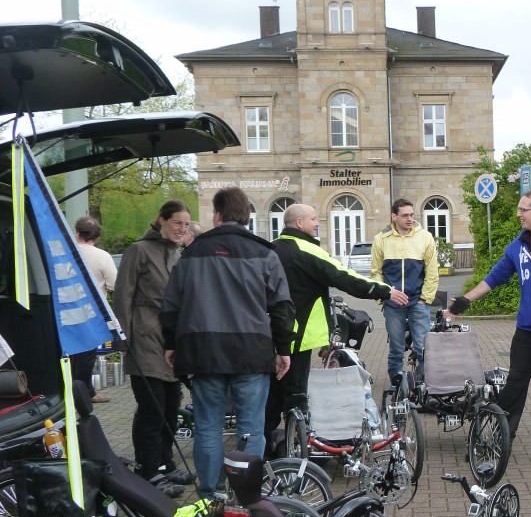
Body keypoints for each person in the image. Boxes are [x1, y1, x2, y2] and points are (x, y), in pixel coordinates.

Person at [160, 187, 295, 500]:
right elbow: (282, 307)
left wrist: (171, 344)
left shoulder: (191, 253)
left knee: (208, 425)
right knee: (251, 426)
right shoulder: (265, 253)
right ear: (247, 216)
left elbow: (170, 307)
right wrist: (284, 349)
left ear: (217, 215)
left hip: (203, 353)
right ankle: (245, 495)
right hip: (252, 352)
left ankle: (209, 496)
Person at [445, 190, 531, 459]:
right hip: (527, 331)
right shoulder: (518, 246)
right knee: (514, 385)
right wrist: (466, 299)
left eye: (524, 209)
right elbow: (495, 277)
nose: (518, 214)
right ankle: (502, 434)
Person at [264, 203, 406, 457]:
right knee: (295, 397)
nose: (317, 223)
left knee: (270, 397)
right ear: (299, 224)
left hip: (267, 336)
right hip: (297, 336)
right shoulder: (306, 249)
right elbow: (345, 276)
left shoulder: (270, 249)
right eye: (314, 218)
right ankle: (293, 457)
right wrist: (385, 291)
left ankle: (264, 450)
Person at [113, 202, 192, 498]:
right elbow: (123, 294)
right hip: (144, 338)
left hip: (171, 340)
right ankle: (147, 470)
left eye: (186, 225)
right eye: (177, 223)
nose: (182, 229)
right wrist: (121, 340)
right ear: (161, 221)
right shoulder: (138, 251)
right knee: (152, 409)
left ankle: (166, 463)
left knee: (171, 406)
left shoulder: (176, 253)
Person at [371, 198, 439, 385]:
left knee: (423, 347)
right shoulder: (381, 240)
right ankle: (396, 385)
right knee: (396, 347)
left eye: (412, 215)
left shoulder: (424, 237)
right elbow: (376, 273)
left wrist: (425, 299)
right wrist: (384, 297)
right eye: (405, 215)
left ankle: (425, 385)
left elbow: (432, 271)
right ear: (394, 216)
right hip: (393, 304)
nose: (410, 219)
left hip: (418, 302)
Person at [71, 215, 117, 404]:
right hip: (92, 312)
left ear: (77, 233)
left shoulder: (66, 252)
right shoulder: (102, 256)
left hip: (67, 309)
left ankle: (78, 391)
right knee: (87, 355)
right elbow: (116, 284)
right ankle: (83, 394)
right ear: (96, 236)